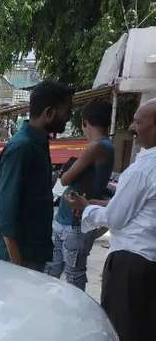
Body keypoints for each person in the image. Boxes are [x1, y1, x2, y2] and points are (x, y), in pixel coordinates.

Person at [67, 99, 156, 341]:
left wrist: (86, 206)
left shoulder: (142, 169)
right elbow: (137, 207)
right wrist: (104, 202)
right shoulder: (143, 167)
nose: (133, 127)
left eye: (139, 122)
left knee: (121, 324)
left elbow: (116, 218)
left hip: (131, 255)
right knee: (140, 321)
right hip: (149, 256)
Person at [0, 82, 74, 270]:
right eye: (66, 112)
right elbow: (6, 217)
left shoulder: (39, 142)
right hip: (20, 260)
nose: (68, 117)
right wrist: (18, 268)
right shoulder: (22, 148)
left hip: (34, 253)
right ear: (49, 113)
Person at [46, 100, 115, 288]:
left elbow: (65, 179)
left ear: (85, 122)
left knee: (72, 274)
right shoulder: (107, 146)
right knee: (55, 269)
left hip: (75, 222)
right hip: (68, 219)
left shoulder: (96, 147)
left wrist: (67, 170)